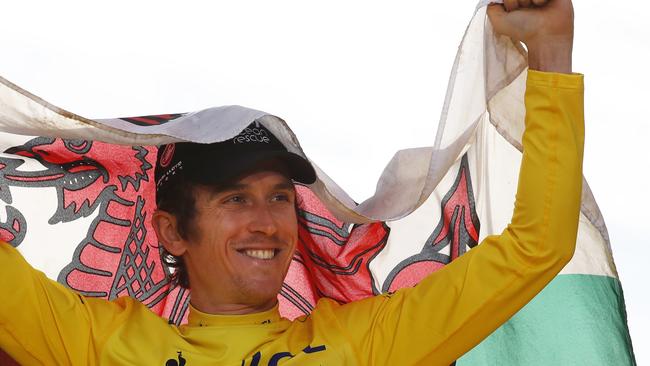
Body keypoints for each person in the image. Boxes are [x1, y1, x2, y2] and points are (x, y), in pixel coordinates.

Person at [0, 0, 583, 364]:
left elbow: (536, 248)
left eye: (280, 196)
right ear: (172, 231)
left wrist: (553, 53)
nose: (267, 220)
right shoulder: (100, 345)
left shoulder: (363, 347)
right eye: (235, 198)